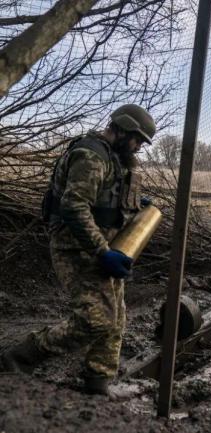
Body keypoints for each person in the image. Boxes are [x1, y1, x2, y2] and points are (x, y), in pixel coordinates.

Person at [1, 104, 156, 395]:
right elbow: (74, 206)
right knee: (95, 320)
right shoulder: (91, 154)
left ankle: (98, 381)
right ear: (121, 128)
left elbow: (104, 202)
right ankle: (19, 357)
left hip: (102, 245)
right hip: (75, 245)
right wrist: (102, 252)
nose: (137, 147)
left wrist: (134, 206)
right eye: (136, 139)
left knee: (116, 317)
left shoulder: (115, 159)